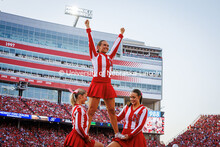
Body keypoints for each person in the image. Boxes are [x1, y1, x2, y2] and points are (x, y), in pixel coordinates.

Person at [85, 19, 125, 139]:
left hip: (107, 84)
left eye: (107, 45)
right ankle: (84, 132)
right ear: (98, 47)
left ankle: (117, 133)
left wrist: (121, 35)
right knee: (91, 110)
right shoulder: (94, 55)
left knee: (112, 110)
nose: (107, 47)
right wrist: (88, 28)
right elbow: (90, 42)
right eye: (104, 45)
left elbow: (115, 47)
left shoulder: (109, 57)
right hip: (97, 83)